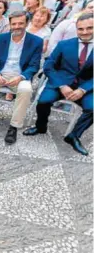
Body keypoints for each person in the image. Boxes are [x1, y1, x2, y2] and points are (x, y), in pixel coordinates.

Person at [23, 13, 93, 156]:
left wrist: (83, 89)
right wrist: (61, 85)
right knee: (43, 101)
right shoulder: (64, 45)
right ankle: (40, 127)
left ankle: (73, 136)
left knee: (93, 109)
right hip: (60, 83)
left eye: (89, 28)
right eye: (81, 29)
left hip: (86, 87)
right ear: (76, 29)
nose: (85, 32)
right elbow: (48, 66)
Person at [0, 11, 44, 144]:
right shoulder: (0, 39)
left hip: (19, 76)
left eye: (21, 23)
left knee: (26, 91)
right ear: (10, 24)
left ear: (26, 23)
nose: (17, 26)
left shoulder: (36, 41)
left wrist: (21, 77)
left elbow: (34, 65)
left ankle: (14, 126)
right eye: (14, 24)